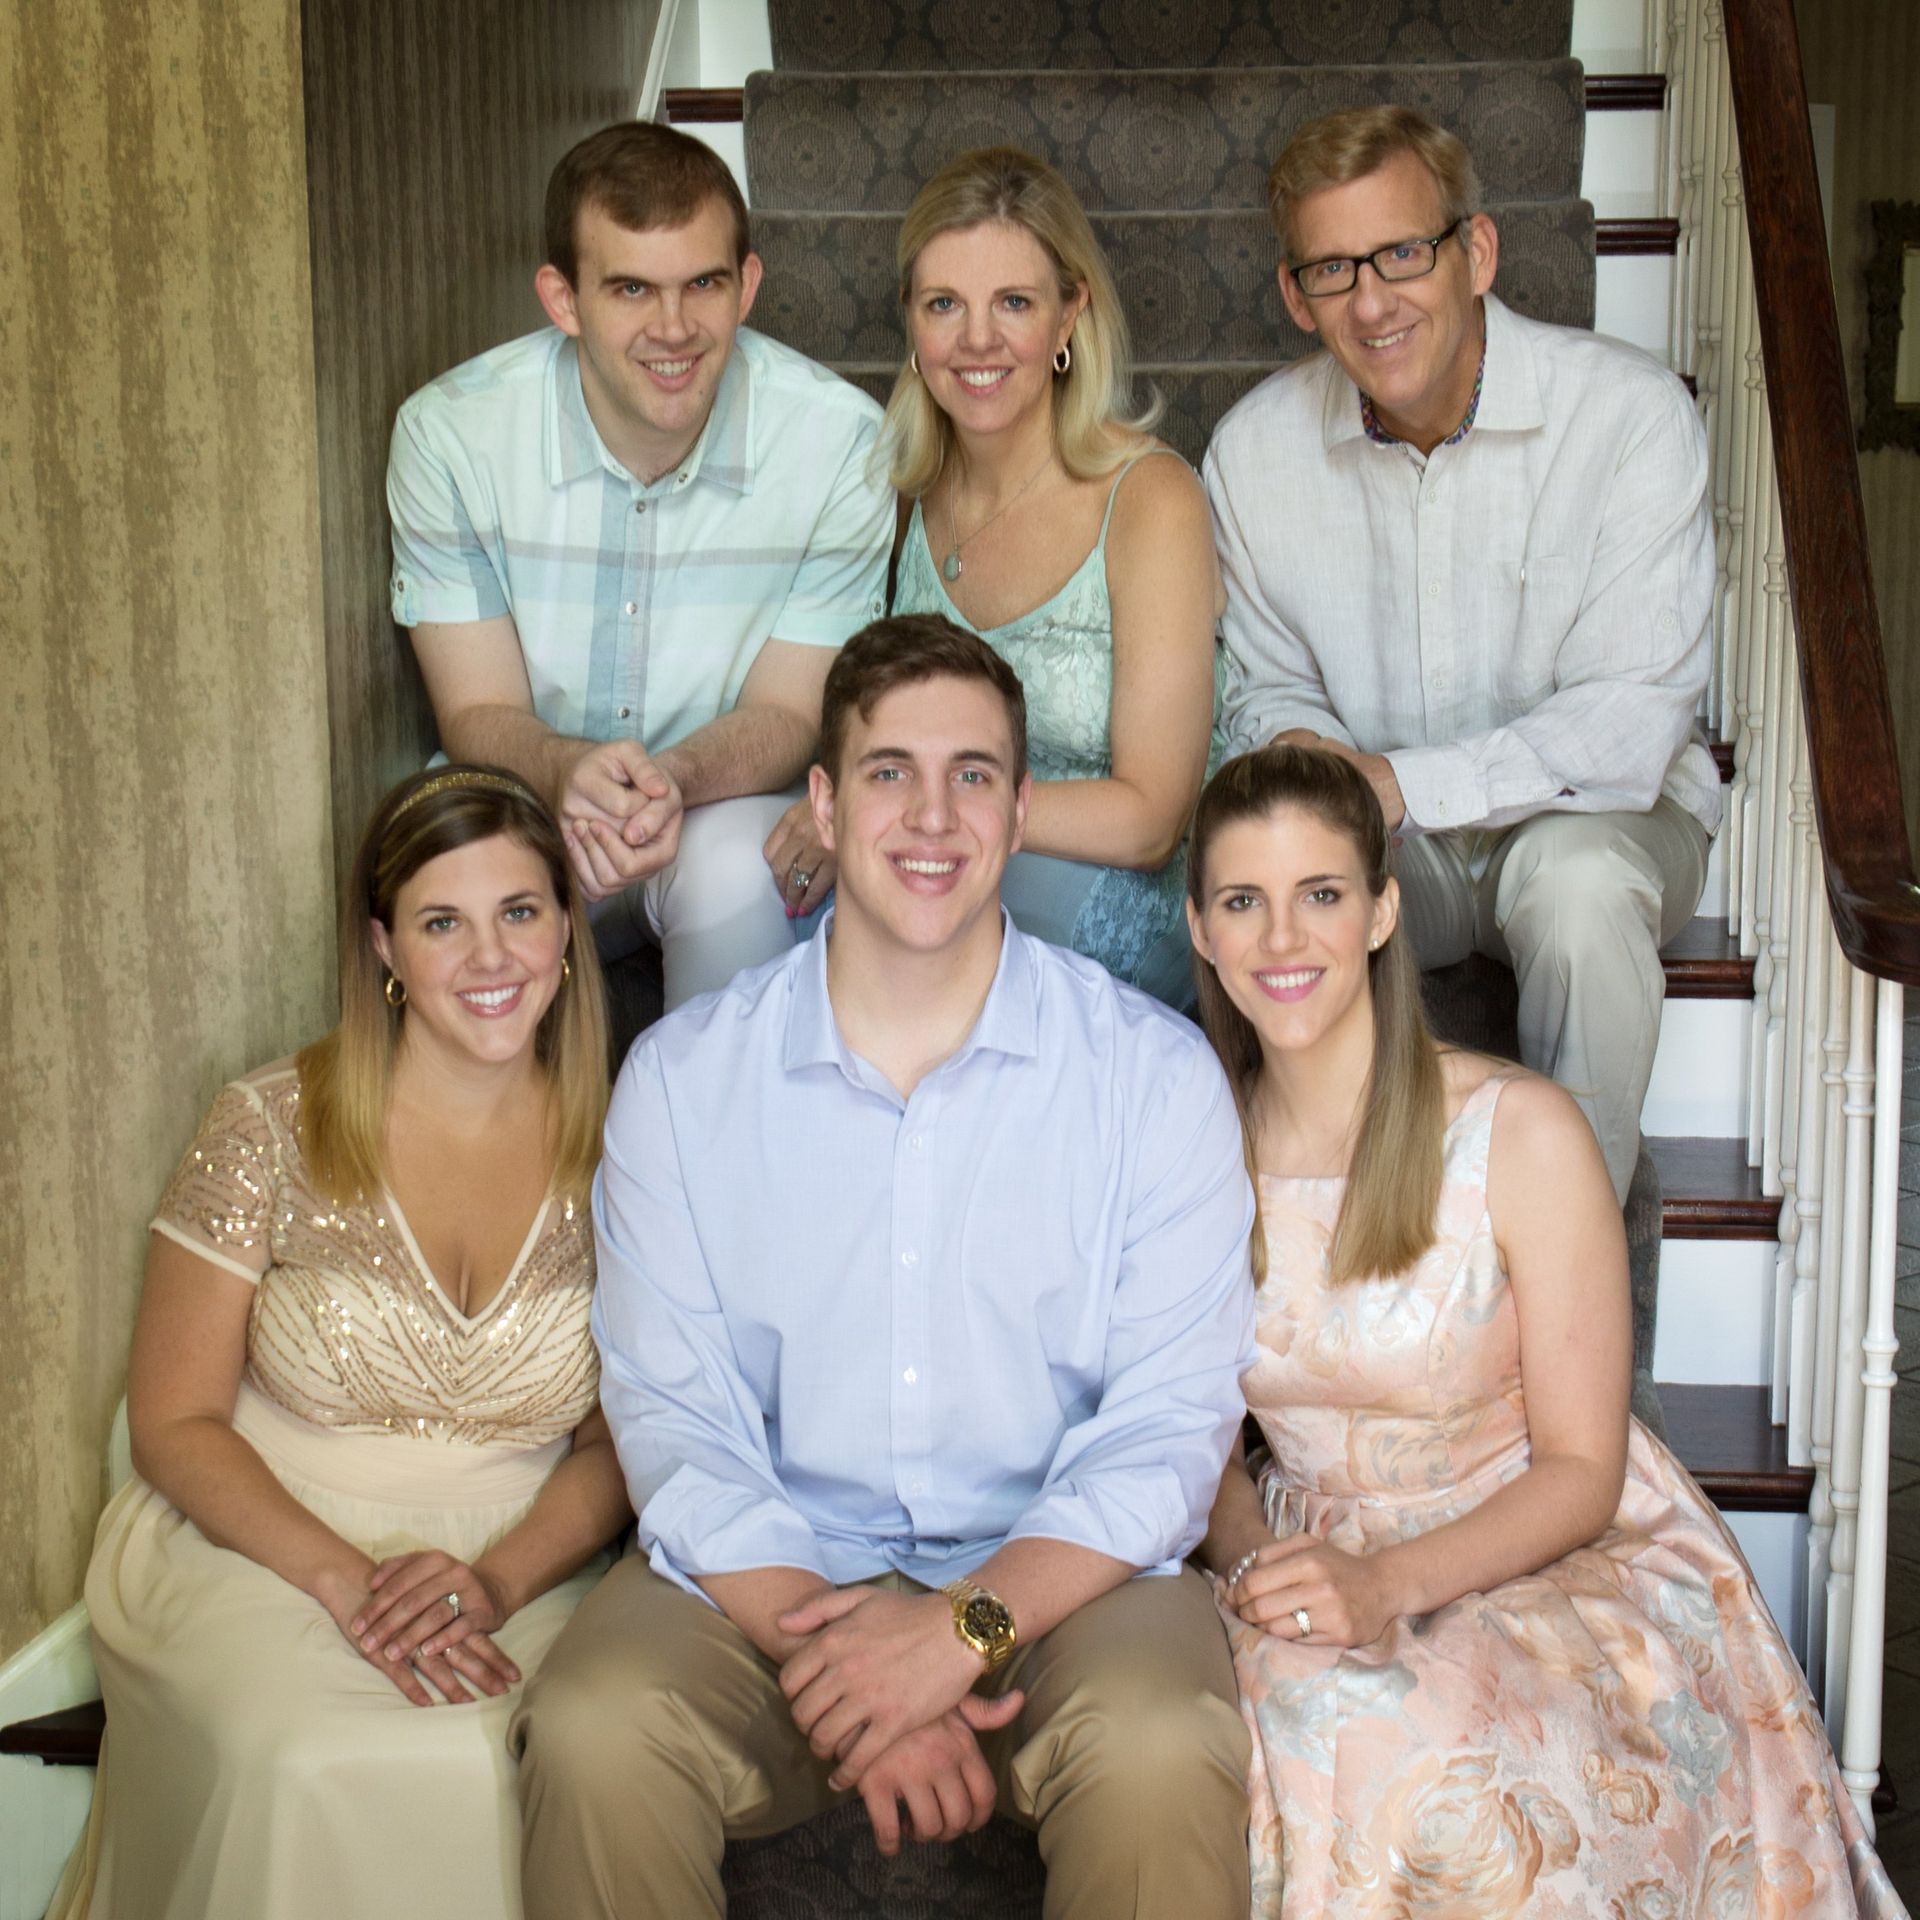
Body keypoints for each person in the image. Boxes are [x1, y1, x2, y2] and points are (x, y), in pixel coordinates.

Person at [513, 614, 1257, 1920]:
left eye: (973, 774)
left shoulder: (1151, 1077)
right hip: (774, 1578)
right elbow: (676, 1424)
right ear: (821, 802)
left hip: (1058, 1575)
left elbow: (1169, 1432)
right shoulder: (686, 1082)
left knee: (1161, 1746)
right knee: (591, 1727)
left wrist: (961, 1631)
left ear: (1022, 809)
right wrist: (860, 1676)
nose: (933, 815)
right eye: (887, 771)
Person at [1184, 743, 1906, 1918]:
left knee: (1414, 1743)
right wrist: (1267, 1571)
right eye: (1243, 902)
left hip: (1541, 1547)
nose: (1283, 939)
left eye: (1320, 894)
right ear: (1202, 930)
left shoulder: (1518, 1131)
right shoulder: (1190, 1144)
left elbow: (1584, 1467)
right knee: (1272, 1729)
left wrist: (1383, 1587)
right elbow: (1197, 1442)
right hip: (1298, 1550)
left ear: (1381, 912)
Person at [48, 768, 631, 1920]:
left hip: (524, 1554)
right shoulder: (267, 1121)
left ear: (567, 930)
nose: (491, 957)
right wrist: (352, 1585)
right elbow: (173, 1422)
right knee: (295, 1754)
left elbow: (622, 1447)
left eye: (519, 912)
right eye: (441, 923)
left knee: (540, 1753)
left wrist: (496, 1583)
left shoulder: (630, 1151)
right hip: (263, 1539)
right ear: (384, 948)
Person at [1204, 105, 1720, 1202]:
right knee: (1251, 884)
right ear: (1296, 295)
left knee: (1573, 890)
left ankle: (1564, 1247)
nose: (1374, 301)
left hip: (1603, 817)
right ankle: (1300, 1231)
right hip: (1396, 843)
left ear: (1475, 252)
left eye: (1401, 253)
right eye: (1333, 270)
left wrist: (1395, 783)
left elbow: (1627, 731)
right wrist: (1311, 757)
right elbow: (1263, 684)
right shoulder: (1252, 453)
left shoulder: (1628, 419)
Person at [389, 121, 894, 1012]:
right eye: (631, 288)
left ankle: (714, 1139)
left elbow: (787, 710)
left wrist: (674, 783)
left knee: (737, 869)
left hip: (715, 811)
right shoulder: (450, 436)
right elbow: (475, 709)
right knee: (449, 870)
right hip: (526, 797)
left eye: (703, 283)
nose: (673, 329)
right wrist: (565, 770)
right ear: (563, 300)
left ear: (747, 287)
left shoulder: (841, 443)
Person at [766, 146, 1222, 1008]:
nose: (978, 340)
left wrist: (915, 812)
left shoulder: (1151, 498)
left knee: (935, 937)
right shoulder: (901, 492)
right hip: (948, 845)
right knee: (783, 900)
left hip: (1110, 876)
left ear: (1068, 315)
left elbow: (1153, 817)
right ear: (911, 321)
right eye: (946, 304)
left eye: (1014, 302)